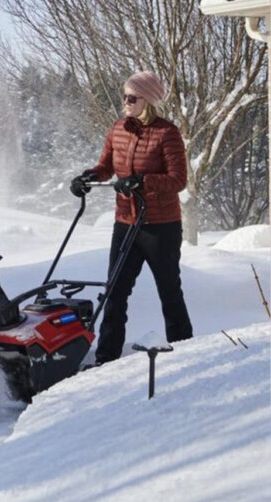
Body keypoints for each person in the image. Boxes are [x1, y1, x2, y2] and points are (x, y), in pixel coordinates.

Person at [70, 70, 193, 366]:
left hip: (160, 228)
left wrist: (142, 181)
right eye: (124, 95)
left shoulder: (167, 133)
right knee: (114, 292)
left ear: (147, 100)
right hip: (125, 223)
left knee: (169, 292)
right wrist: (88, 177)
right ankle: (106, 360)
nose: (125, 102)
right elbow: (106, 166)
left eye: (131, 97)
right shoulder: (118, 129)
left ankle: (187, 357)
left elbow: (178, 180)